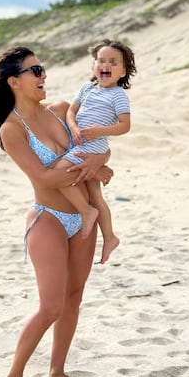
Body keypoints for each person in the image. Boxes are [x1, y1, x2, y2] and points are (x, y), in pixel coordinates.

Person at [0, 45, 113, 377]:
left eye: (43, 69)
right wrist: (92, 169)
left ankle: (56, 372)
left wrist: (99, 160)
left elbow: (99, 147)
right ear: (14, 82)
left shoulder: (62, 109)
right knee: (51, 306)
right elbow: (43, 177)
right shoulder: (13, 129)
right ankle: (14, 375)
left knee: (74, 296)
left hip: (85, 218)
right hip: (48, 219)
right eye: (35, 71)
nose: (44, 76)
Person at [54, 38, 136, 264]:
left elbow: (124, 126)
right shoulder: (87, 88)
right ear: (94, 66)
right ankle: (110, 237)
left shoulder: (118, 95)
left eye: (113, 62)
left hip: (94, 144)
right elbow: (71, 111)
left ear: (123, 71)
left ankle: (85, 211)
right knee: (96, 194)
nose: (105, 65)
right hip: (80, 139)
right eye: (101, 61)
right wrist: (73, 126)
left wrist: (100, 131)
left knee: (59, 172)